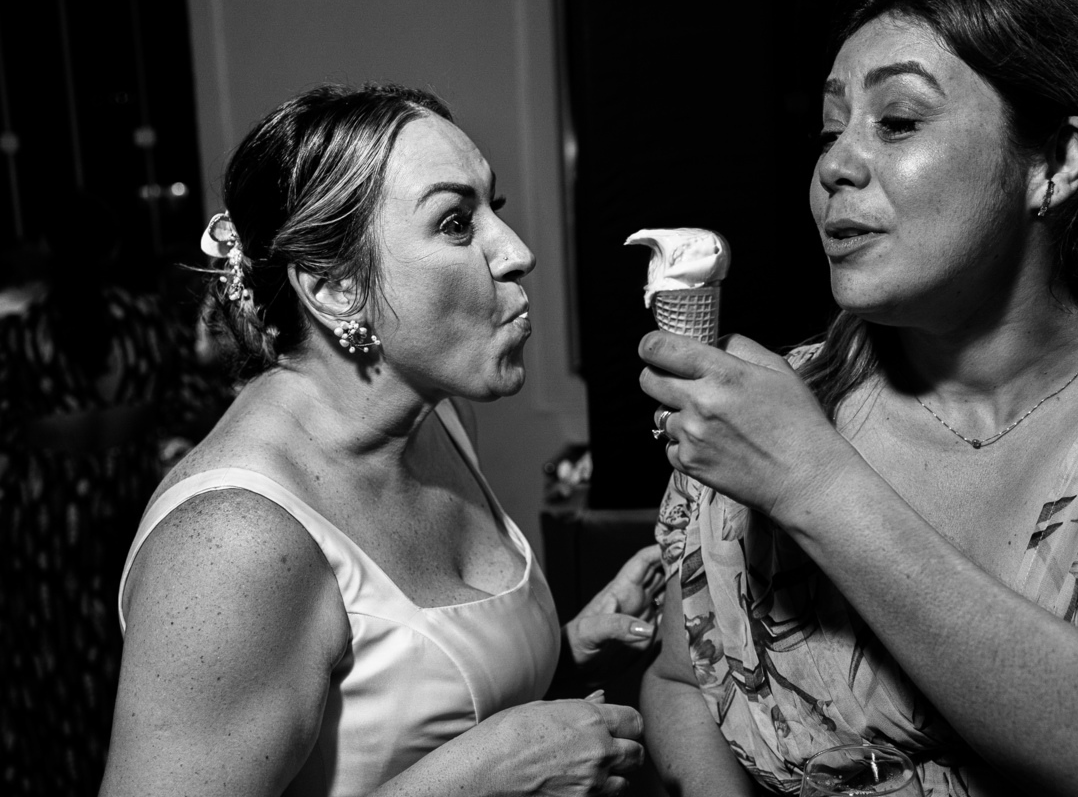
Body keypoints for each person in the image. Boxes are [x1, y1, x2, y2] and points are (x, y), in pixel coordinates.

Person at [636, 0, 1078, 795]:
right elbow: (681, 680)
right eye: (829, 131)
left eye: (897, 121)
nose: (834, 166)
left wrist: (814, 482)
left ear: (1056, 161)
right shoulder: (758, 405)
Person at [99, 83, 663, 797]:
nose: (516, 252)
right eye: (456, 223)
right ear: (334, 288)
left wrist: (570, 654)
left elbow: (405, 709)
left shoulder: (439, 421)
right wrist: (480, 780)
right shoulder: (232, 542)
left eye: (495, 209)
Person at [0, 193, 227, 797]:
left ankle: (62, 775)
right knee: (134, 648)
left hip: (45, 512)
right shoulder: (148, 321)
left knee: (53, 656)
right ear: (113, 250)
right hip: (130, 497)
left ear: (47, 250)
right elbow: (190, 404)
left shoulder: (20, 333)